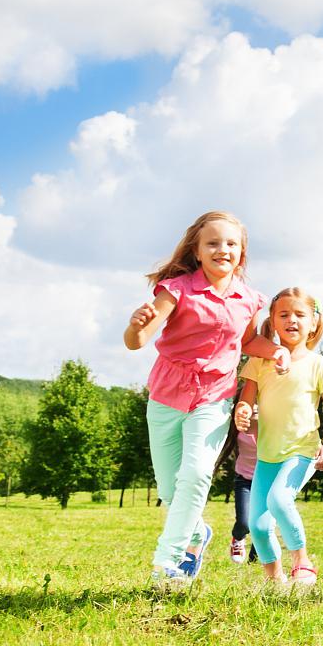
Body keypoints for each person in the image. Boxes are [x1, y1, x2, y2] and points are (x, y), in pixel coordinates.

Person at [122, 210, 269, 589]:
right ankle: (196, 534)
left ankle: (166, 564)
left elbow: (248, 341)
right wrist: (135, 326)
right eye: (213, 243)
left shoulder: (249, 299)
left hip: (214, 396)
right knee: (171, 490)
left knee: (197, 475)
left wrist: (278, 352)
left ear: (242, 252)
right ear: (198, 251)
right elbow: (138, 342)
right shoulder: (176, 290)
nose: (223, 250)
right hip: (167, 395)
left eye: (232, 244)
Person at [233, 288, 323, 591]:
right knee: (257, 525)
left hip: (303, 451)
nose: (291, 320)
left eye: (299, 315)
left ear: (313, 323)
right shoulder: (259, 361)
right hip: (267, 454)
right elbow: (245, 400)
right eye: (283, 314)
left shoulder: (318, 364)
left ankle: (303, 561)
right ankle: (275, 580)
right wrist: (242, 412)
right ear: (272, 321)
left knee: (280, 500)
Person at [226, 413, 256, 564]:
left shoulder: (273, 425)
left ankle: (255, 559)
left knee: (262, 524)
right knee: (244, 522)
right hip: (244, 479)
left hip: (268, 480)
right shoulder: (238, 424)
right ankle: (238, 538)